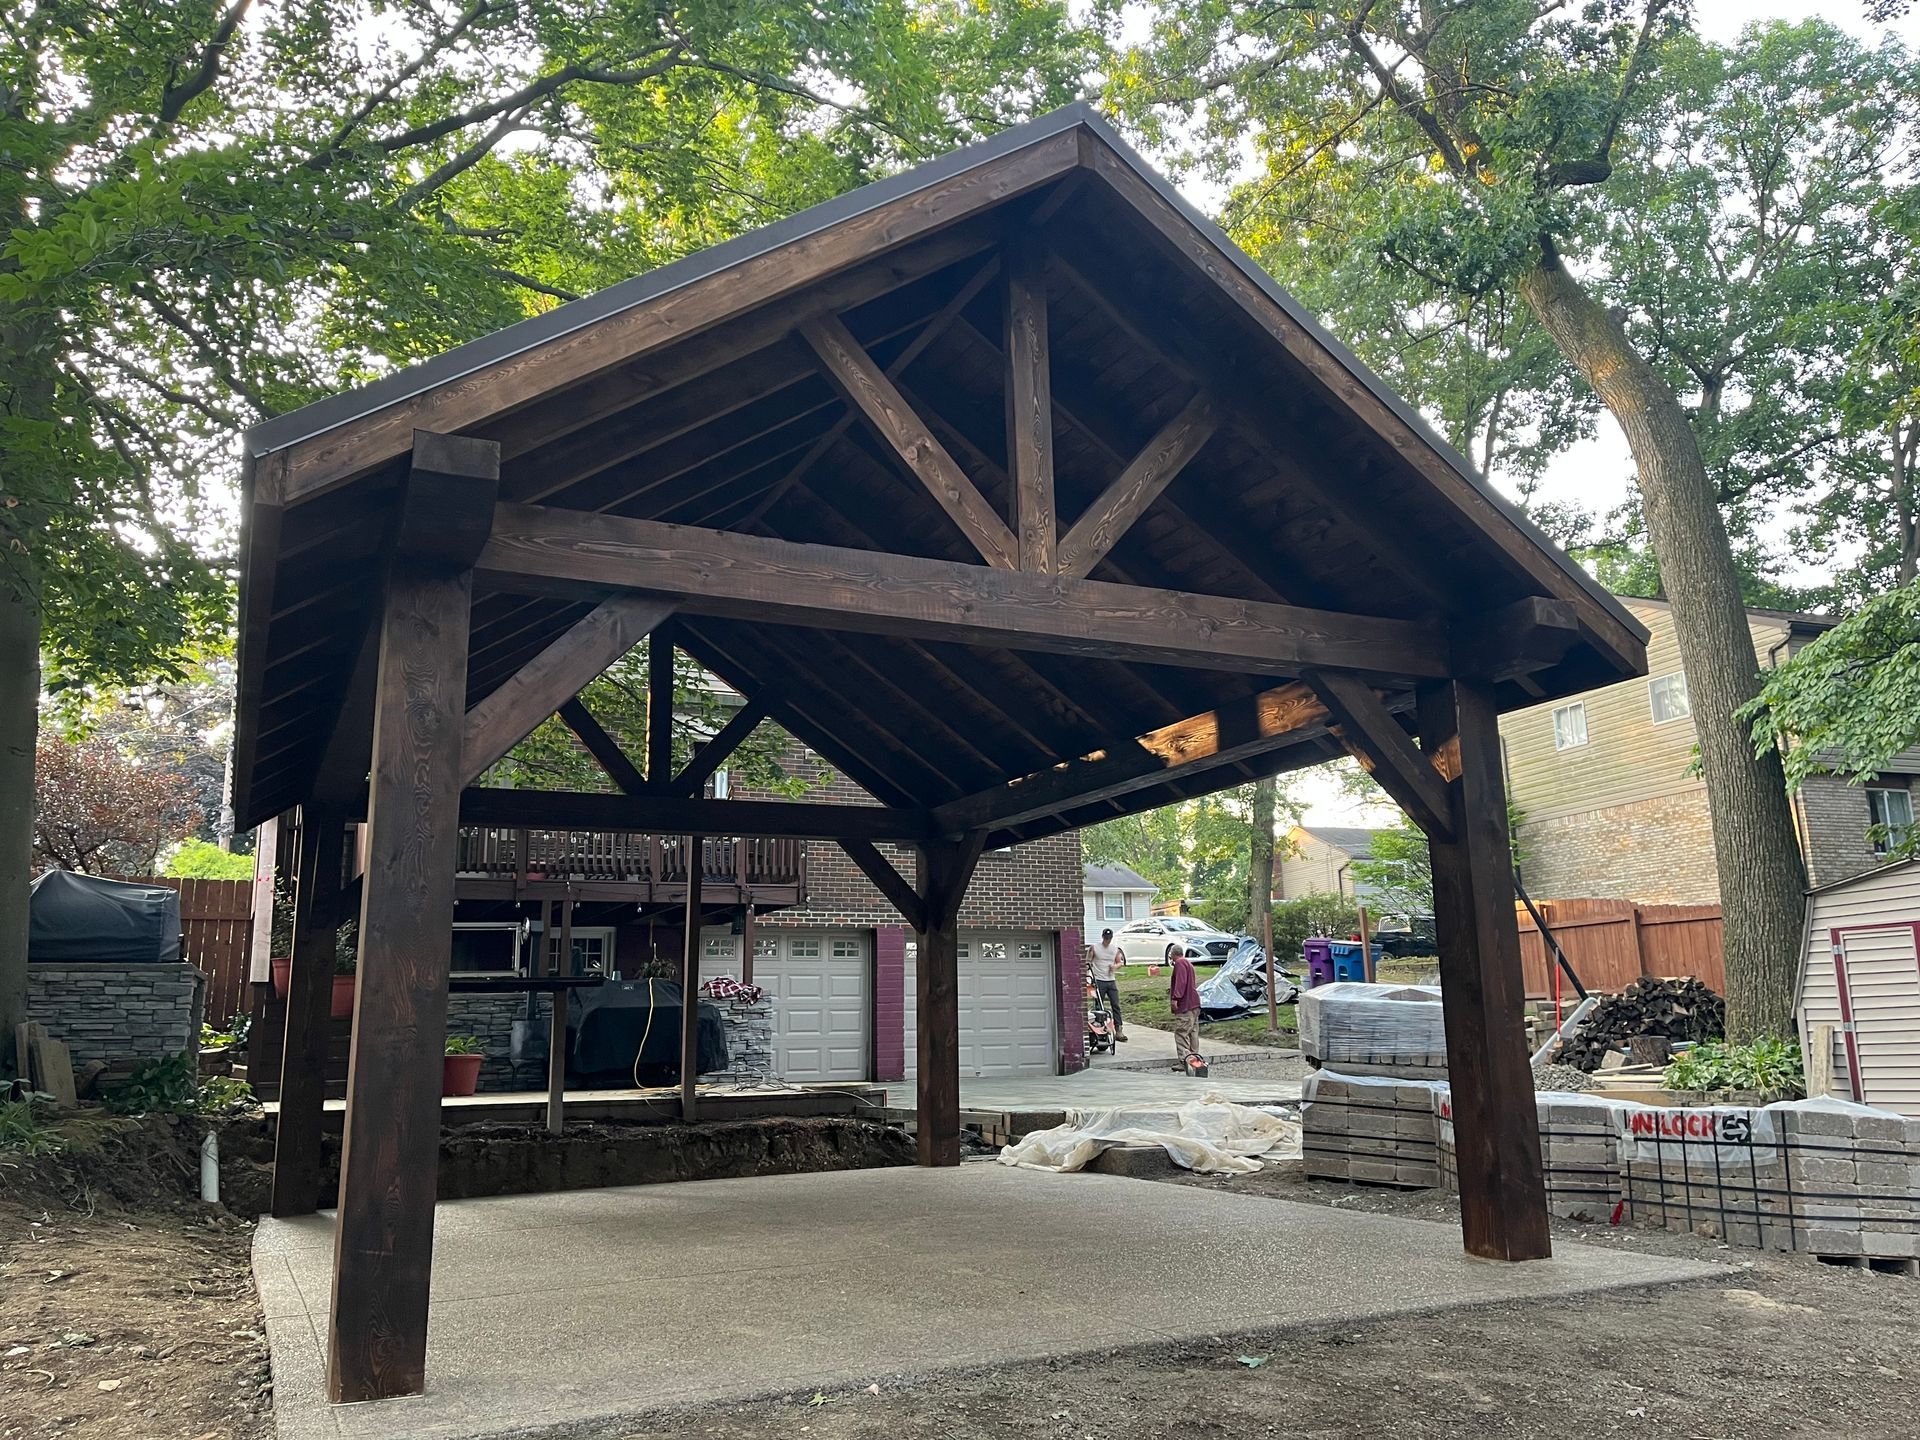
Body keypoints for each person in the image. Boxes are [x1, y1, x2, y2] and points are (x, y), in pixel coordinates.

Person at [1085, 929, 1129, 1042]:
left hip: (1111, 980)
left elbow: (1120, 962)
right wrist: (1089, 975)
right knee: (1099, 1005)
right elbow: (1088, 962)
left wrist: (1115, 967)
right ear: (1102, 937)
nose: (1107, 940)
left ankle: (1119, 1030)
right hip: (1098, 980)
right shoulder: (1095, 947)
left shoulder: (1115, 949)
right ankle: (1100, 1029)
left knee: (1116, 1005)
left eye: (1109, 938)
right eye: (1105, 938)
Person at [1167, 941, 1201, 1068]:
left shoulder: (1180, 963)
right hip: (1194, 1003)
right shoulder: (1188, 963)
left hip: (1185, 1004)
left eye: (1170, 954)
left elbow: (1181, 982)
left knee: (1181, 1033)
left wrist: (1176, 998)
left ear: (1173, 954)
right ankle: (1195, 1059)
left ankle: (1184, 1061)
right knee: (1193, 1032)